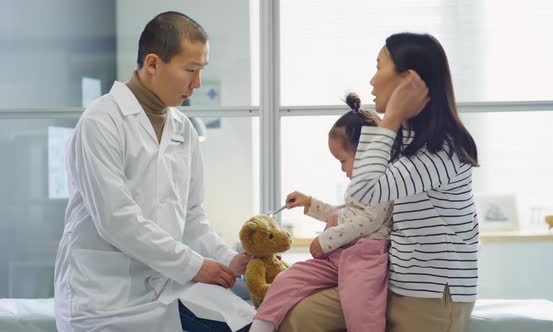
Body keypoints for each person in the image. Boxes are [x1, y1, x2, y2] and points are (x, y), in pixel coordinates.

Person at [54, 11, 253, 332]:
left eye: (201, 71)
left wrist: (230, 259)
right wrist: (194, 266)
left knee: (251, 324)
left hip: (165, 287)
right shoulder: (101, 121)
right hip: (104, 298)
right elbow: (117, 220)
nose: (197, 84)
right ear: (152, 64)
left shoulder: (183, 128)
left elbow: (192, 218)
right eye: (190, 70)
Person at [277, 32, 479, 332]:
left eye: (378, 66)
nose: (371, 81)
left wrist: (392, 116)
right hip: (395, 281)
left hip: (431, 297)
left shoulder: (441, 151)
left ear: (407, 80)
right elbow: (361, 195)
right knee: (299, 317)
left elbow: (365, 189)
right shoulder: (406, 141)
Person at [250, 93, 395, 332]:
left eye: (343, 161)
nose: (342, 169)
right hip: (336, 257)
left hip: (364, 259)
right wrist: (310, 203)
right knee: (288, 278)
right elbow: (345, 214)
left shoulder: (383, 184)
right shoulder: (358, 187)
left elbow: (369, 221)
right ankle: (261, 325)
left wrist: (326, 240)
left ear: (366, 154)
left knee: (361, 306)